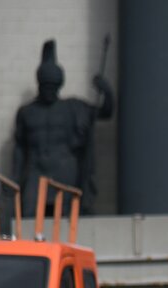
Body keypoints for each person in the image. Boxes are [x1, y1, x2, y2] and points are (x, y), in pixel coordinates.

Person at [13, 40, 114, 214]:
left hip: (65, 172)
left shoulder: (73, 108)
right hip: (36, 172)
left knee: (67, 219)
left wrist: (106, 90)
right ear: (39, 86)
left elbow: (106, 112)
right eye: (46, 87)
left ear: (59, 86)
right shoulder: (27, 112)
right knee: (28, 215)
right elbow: (20, 149)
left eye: (53, 87)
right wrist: (14, 179)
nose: (49, 91)